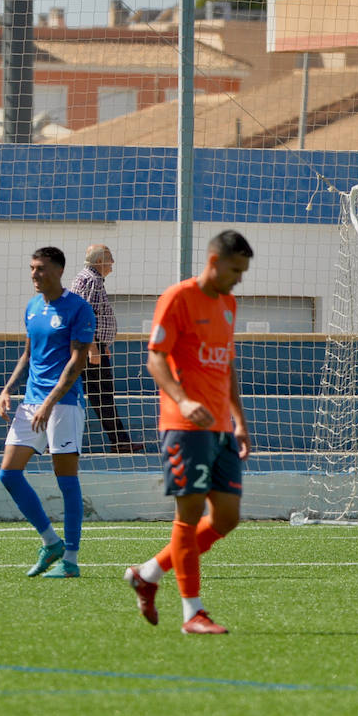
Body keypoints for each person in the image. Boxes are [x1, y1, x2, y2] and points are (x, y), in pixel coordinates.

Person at [122, 231, 254, 634]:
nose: (239, 279)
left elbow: (226, 365)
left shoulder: (228, 304)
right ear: (213, 261)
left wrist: (240, 421)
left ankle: (148, 572)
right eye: (235, 270)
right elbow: (156, 359)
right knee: (190, 513)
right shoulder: (178, 298)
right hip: (184, 426)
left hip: (220, 429)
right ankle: (191, 612)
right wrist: (181, 400)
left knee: (227, 518)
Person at [0, 247, 96, 578]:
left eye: (40, 269)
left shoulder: (78, 308)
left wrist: (50, 403)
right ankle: (50, 541)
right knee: (8, 474)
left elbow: (77, 361)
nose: (34, 274)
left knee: (66, 478)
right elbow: (28, 353)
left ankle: (70, 559)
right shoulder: (32, 307)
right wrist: (8, 388)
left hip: (64, 403)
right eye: (31, 268)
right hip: (30, 402)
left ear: (57, 270)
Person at [69, 244, 146, 452]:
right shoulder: (91, 280)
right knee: (102, 396)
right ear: (99, 261)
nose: (112, 262)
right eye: (110, 258)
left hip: (91, 346)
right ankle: (120, 442)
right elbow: (83, 315)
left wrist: (101, 344)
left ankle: (119, 441)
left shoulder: (90, 279)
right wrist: (93, 346)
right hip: (88, 347)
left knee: (99, 396)